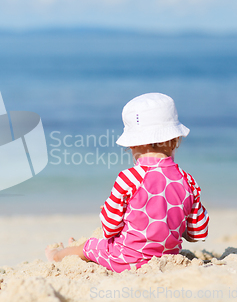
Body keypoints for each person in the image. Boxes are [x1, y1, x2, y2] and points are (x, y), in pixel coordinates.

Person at [45, 93, 209, 272]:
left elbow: (109, 228)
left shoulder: (129, 178)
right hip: (168, 257)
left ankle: (57, 255)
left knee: (89, 246)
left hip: (128, 260)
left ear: (132, 144)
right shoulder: (187, 180)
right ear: (176, 140)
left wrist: (109, 210)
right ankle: (73, 248)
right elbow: (197, 232)